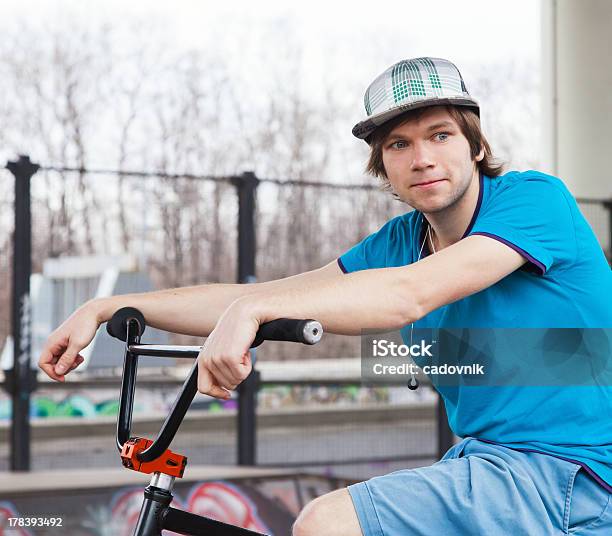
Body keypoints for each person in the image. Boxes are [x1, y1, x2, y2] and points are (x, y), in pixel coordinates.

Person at [39, 57, 611, 535]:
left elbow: (408, 297)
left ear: (473, 144)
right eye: (398, 144)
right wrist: (105, 308)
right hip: (489, 465)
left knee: (326, 523)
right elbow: (269, 294)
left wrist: (253, 313)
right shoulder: (400, 242)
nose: (422, 158)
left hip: (577, 474)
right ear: (382, 164)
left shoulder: (534, 202)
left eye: (440, 135)